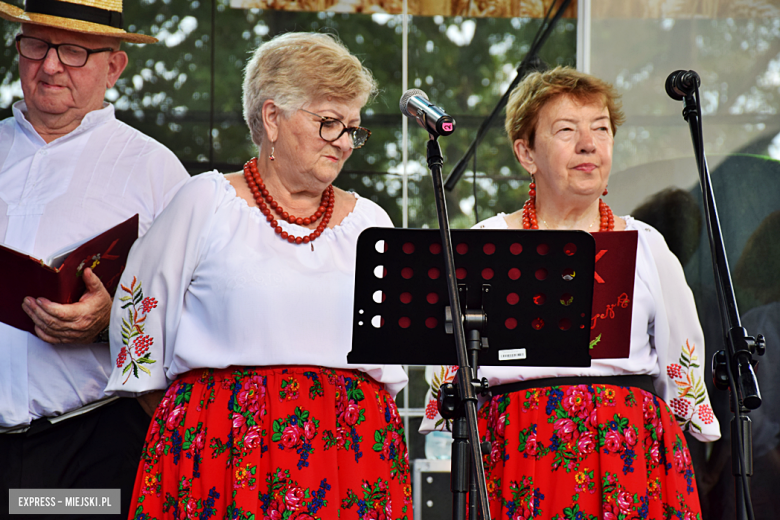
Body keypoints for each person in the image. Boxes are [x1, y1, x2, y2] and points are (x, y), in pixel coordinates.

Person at [104, 32, 411, 520]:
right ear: (272, 117)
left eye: (353, 127)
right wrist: (209, 426)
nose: (346, 143)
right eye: (329, 123)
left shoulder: (371, 222)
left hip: (346, 458)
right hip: (221, 454)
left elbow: (393, 365)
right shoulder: (204, 202)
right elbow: (138, 335)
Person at [421, 66, 720, 519]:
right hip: (523, 453)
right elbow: (451, 381)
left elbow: (681, 373)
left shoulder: (646, 246)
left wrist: (640, 429)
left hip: (629, 455)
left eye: (601, 129)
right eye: (566, 130)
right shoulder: (487, 241)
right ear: (526, 152)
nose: (589, 144)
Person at [0, 0, 189, 517]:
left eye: (74, 50)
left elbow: (194, 317)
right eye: (36, 44)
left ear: (115, 65)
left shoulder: (155, 170)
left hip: (84, 443)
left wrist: (112, 321)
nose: (51, 64)